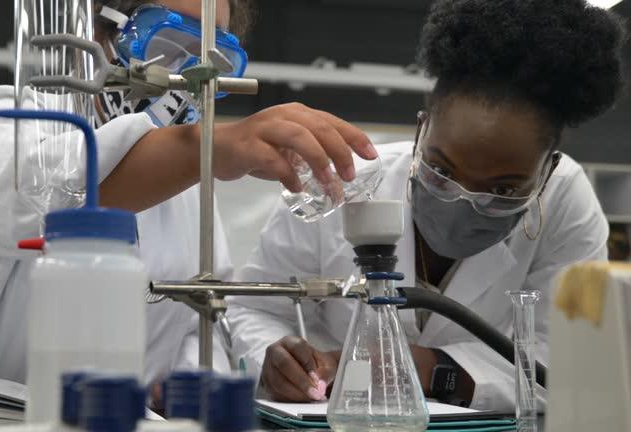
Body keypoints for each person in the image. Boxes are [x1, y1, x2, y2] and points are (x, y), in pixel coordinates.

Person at [0, 0, 377, 392]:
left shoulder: (188, 188)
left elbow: (195, 325)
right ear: (99, 35)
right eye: (169, 45)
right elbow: (43, 195)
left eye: (209, 60)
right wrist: (207, 149)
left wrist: (189, 382)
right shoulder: (9, 120)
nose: (188, 79)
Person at [227, 0, 628, 411]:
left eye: (503, 190)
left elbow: (570, 359)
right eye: (441, 170)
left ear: (547, 169)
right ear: (421, 129)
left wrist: (432, 370)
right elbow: (252, 309)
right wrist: (275, 359)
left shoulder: (564, 200)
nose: (462, 201)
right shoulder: (339, 183)